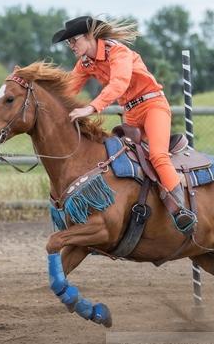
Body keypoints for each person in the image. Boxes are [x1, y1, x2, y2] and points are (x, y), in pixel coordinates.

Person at [52, 15, 197, 233]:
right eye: (69, 42)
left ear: (90, 37)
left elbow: (119, 83)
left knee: (157, 156)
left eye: (74, 40)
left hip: (153, 106)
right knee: (117, 159)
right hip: (131, 113)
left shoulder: (118, 52)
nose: (71, 46)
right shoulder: (85, 63)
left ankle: (181, 210)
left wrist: (92, 107)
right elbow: (67, 89)